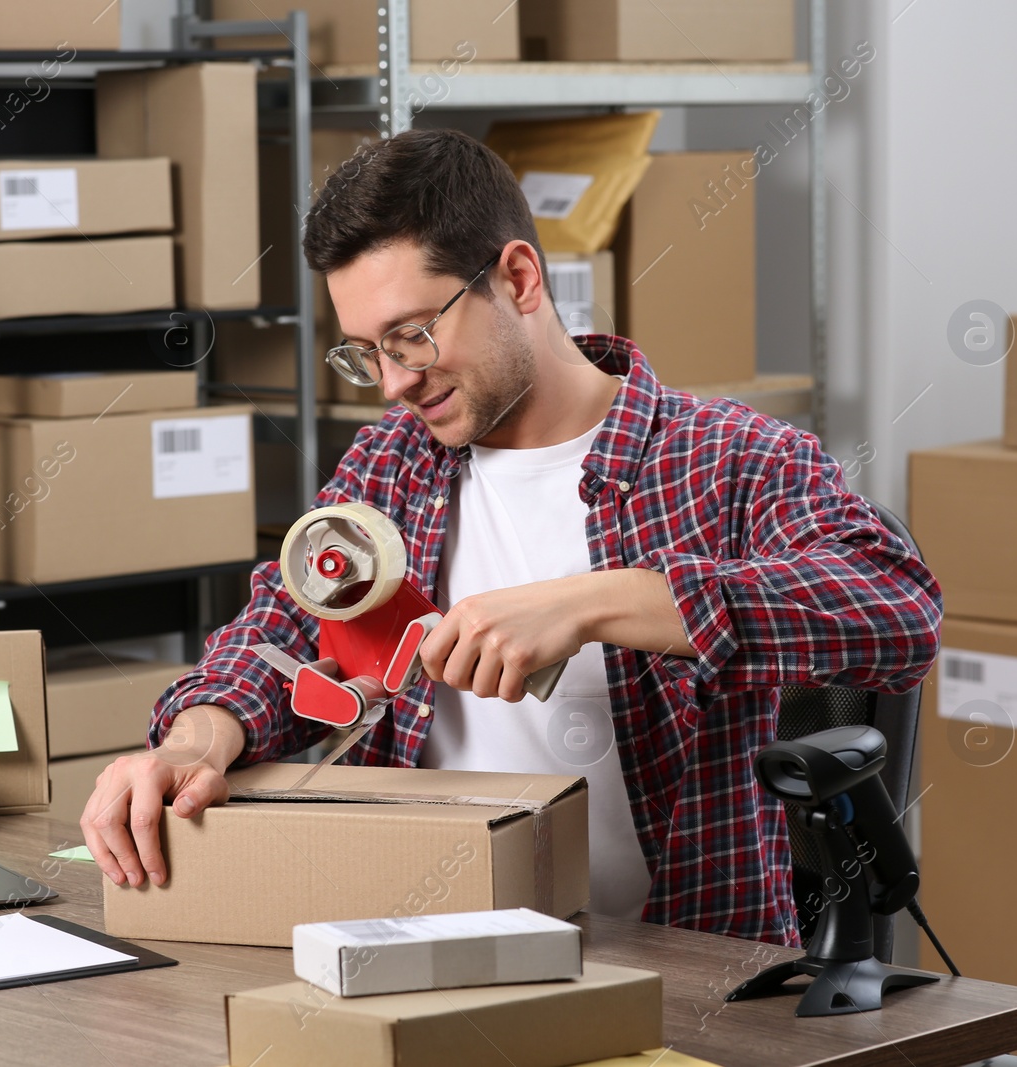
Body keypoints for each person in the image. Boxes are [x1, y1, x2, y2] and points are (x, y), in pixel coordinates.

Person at [81, 128, 941, 946]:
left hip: (678, 972)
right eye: (365, 352)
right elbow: (277, 631)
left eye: (413, 334)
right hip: (427, 953)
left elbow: (898, 609)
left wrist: (596, 602)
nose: (392, 383)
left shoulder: (730, 458)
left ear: (520, 278)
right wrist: (193, 742)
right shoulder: (394, 463)